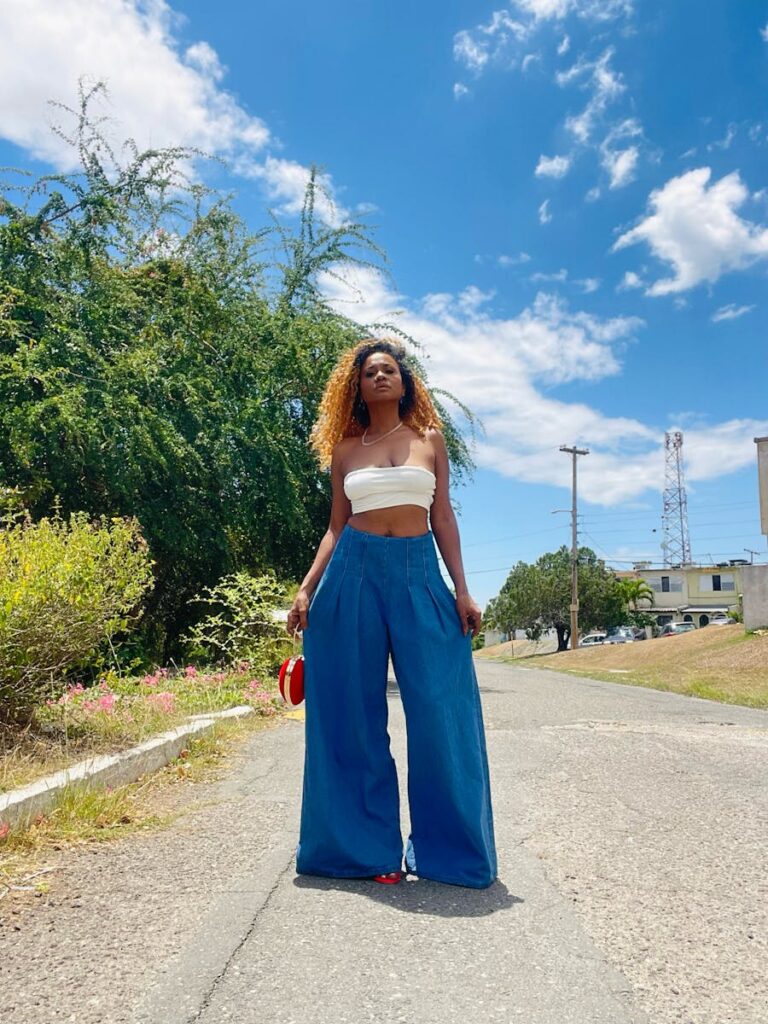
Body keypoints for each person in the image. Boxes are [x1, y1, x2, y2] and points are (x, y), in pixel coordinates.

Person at [286, 338, 497, 889]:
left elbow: (443, 516)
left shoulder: (430, 440)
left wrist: (462, 590)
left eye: (389, 370)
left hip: (419, 572)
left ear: (405, 383)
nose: (379, 377)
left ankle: (448, 853)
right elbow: (335, 527)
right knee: (350, 716)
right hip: (351, 574)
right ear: (356, 387)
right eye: (369, 372)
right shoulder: (345, 450)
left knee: (440, 710)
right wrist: (307, 589)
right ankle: (364, 851)